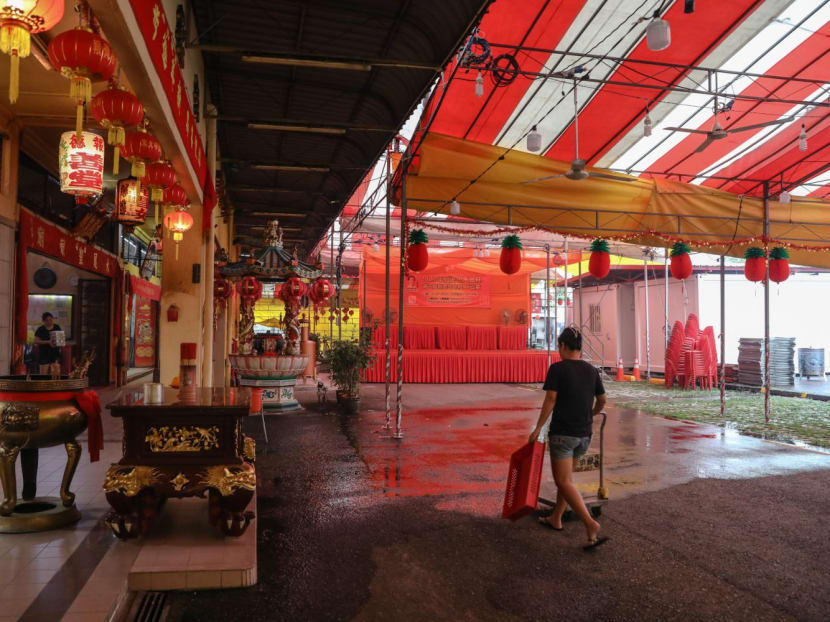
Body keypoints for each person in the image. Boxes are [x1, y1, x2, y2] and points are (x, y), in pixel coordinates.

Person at [528, 326, 608, 550]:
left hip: (563, 434)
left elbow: (551, 399)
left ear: (563, 346)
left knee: (562, 481)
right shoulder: (592, 371)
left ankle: (590, 524)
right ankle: (556, 518)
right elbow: (602, 401)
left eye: (559, 346)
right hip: (584, 435)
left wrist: (537, 429)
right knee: (568, 480)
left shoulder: (557, 369)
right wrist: (590, 414)